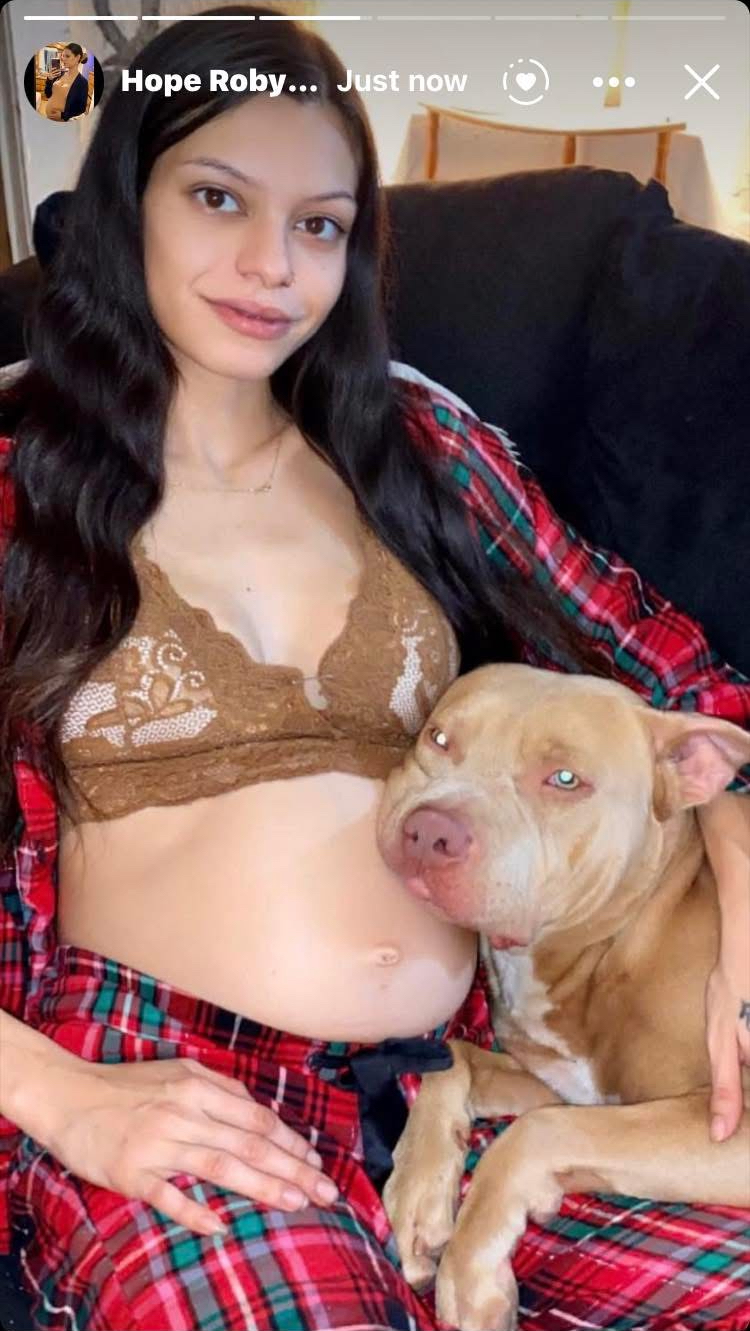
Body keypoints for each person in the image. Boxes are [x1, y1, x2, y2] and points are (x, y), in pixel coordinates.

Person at [0, 6, 748, 1329]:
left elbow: (691, 690)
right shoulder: (20, 486)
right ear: (125, 201)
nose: (270, 263)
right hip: (173, 1083)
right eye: (218, 198)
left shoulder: (420, 452)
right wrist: (65, 1100)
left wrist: (739, 907)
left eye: (320, 223)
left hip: (468, 1081)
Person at [39, 44, 89, 122]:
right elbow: (48, 94)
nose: (63, 59)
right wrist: (49, 80)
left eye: (67, 56)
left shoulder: (82, 82)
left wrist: (63, 115)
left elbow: (81, 108)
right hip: (48, 117)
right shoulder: (60, 74)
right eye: (62, 56)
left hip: (61, 121)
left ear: (77, 57)